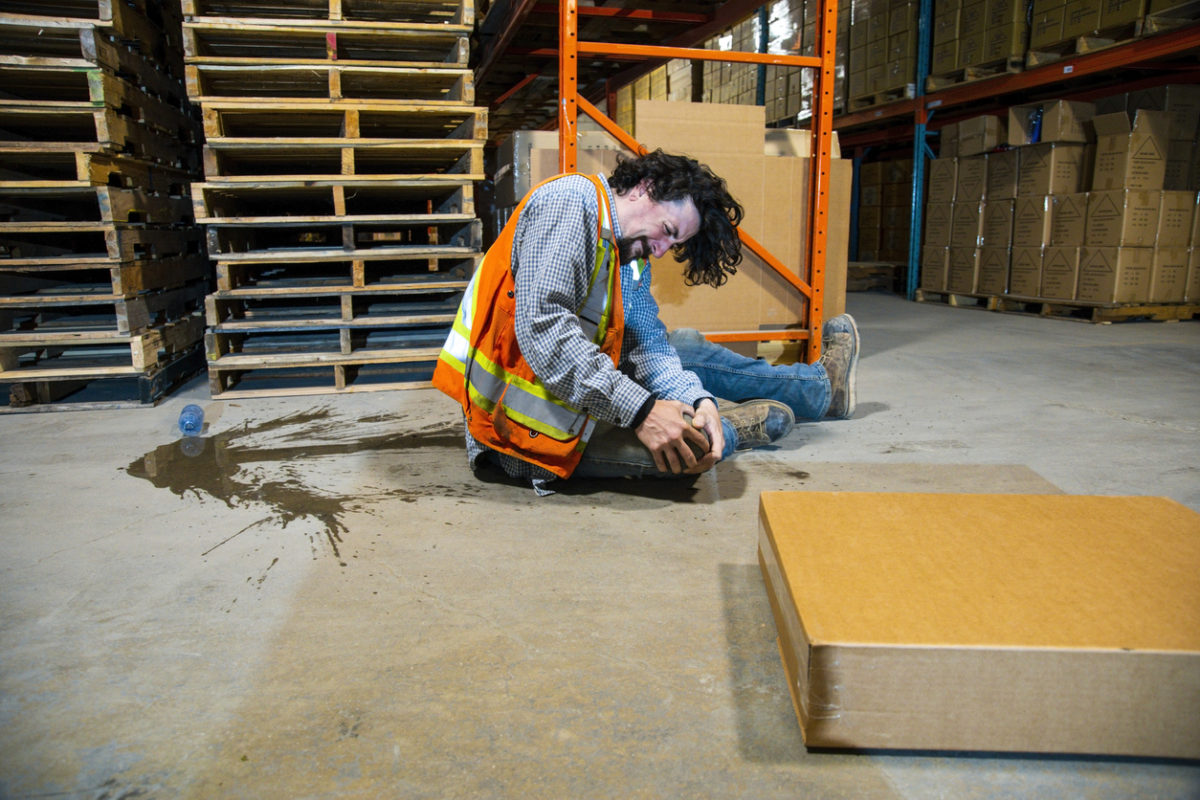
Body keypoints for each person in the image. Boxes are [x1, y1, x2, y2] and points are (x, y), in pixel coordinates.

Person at [432, 149, 858, 494]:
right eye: (668, 231)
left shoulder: (628, 251)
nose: (660, 250)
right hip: (521, 432)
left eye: (674, 244)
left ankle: (816, 390)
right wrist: (642, 411)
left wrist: (698, 399)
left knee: (682, 347)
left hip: (577, 387)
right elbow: (546, 329)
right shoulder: (570, 203)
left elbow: (648, 343)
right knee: (687, 450)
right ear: (642, 188)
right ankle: (729, 429)